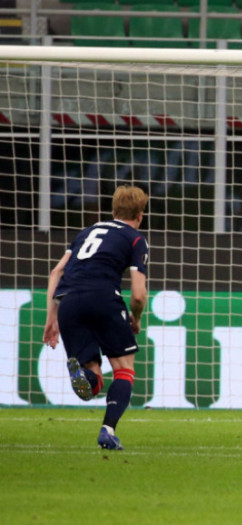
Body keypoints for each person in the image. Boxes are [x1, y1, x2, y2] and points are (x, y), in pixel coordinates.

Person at [42, 185, 150, 451]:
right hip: (103, 297)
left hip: (68, 302)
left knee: (93, 382)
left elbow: (56, 272)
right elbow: (138, 295)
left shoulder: (86, 233)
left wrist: (51, 318)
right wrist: (136, 319)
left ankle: (85, 375)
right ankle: (108, 430)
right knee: (124, 369)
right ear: (140, 216)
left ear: (113, 211)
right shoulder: (135, 239)